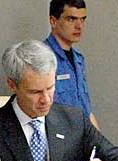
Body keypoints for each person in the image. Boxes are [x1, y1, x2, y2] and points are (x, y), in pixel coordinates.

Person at [45, 0, 99, 129]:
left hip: (81, 137)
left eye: (82, 19)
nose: (79, 26)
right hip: (58, 137)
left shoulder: (78, 59)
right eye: (71, 19)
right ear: (53, 21)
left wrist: (99, 143)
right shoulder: (42, 58)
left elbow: (86, 108)